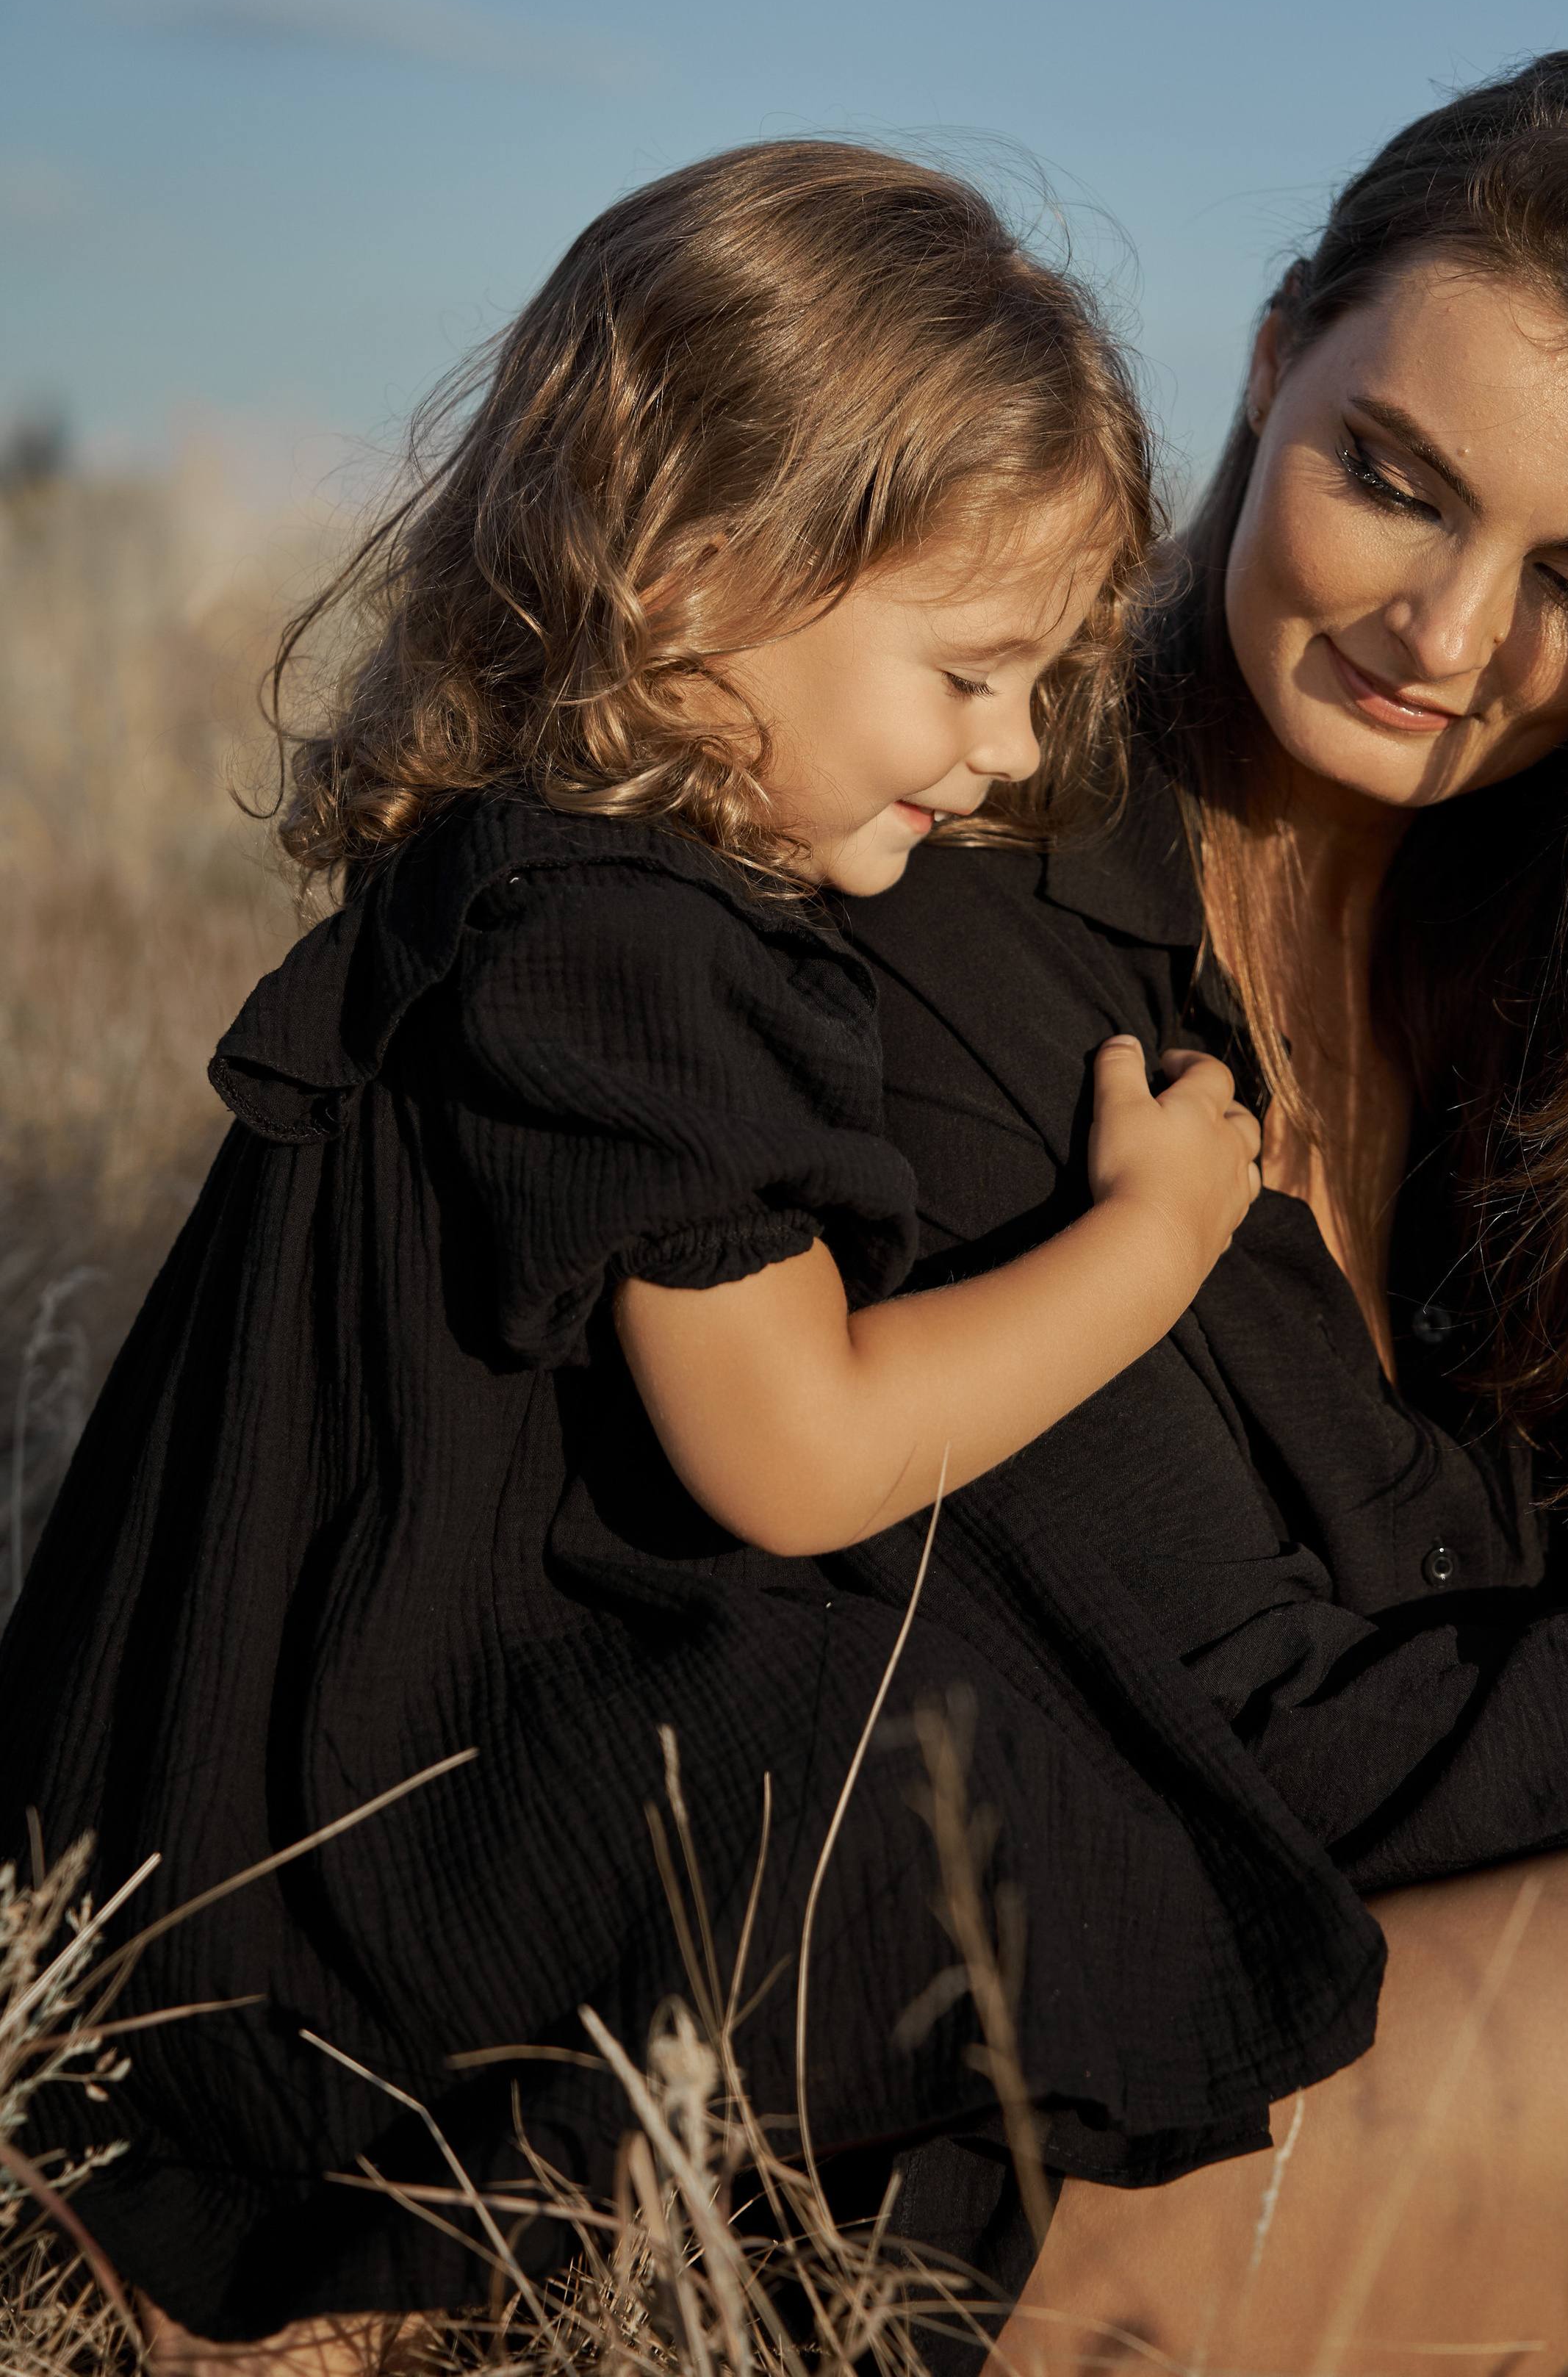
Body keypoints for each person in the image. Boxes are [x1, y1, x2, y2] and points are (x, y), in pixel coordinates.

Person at [0, 144, 1375, 2350]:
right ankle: (353, 2270)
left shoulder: (537, 879)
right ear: (703, 577)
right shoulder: (641, 956)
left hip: (297, 1732)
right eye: (967, 676)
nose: (1009, 754)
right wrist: (1151, 1243)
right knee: (943, 1795)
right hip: (352, 1835)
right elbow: (797, 1453)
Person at [844, 51, 1568, 2371]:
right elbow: (1266, 1747)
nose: (1453, 633)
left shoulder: (1542, 973)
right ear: (1275, 345)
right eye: (1396, 483)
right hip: (1064, 2147)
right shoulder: (959, 910)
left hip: (1453, 2040)